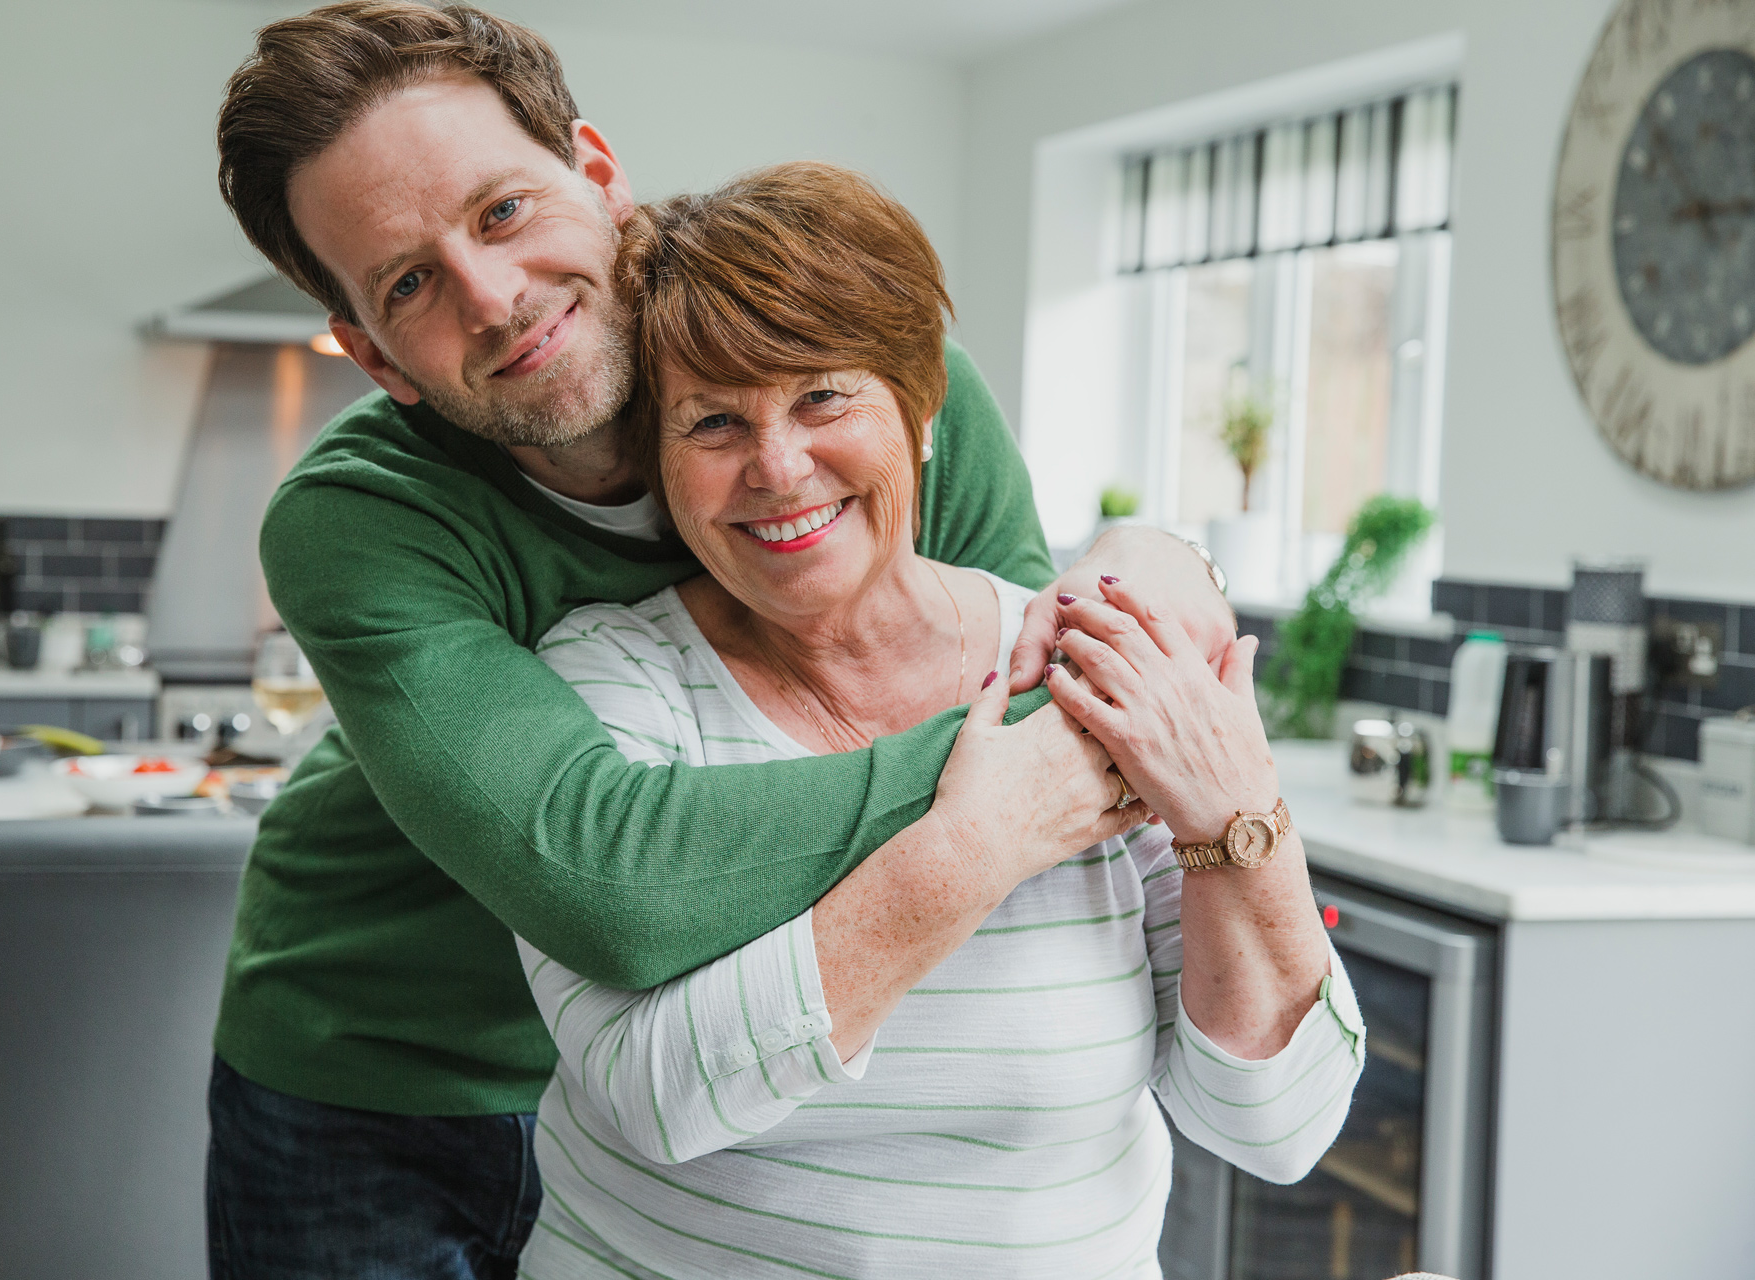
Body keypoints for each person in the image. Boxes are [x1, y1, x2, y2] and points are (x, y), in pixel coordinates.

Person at [204, 4, 1236, 1275]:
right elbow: (613, 880)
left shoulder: (869, 379)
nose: (493, 296)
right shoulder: (359, 518)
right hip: (379, 1076)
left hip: (702, 1088)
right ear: (373, 356)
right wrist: (1052, 757)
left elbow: (1009, 674)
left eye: (503, 211)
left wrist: (1163, 568)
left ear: (598, 174)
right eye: (409, 282)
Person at [515, 163, 1363, 1278]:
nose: (777, 466)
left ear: (920, 418)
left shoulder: (1087, 662)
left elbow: (1276, 1128)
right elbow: (656, 1094)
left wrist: (1239, 825)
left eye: (825, 396)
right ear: (663, 466)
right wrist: (976, 844)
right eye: (714, 420)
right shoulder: (609, 684)